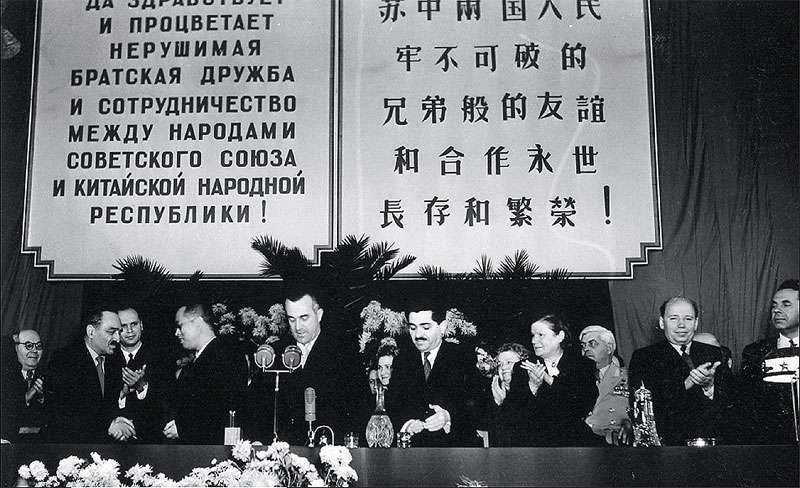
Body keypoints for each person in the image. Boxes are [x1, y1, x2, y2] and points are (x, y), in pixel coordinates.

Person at [272, 282, 369, 446]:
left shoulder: (344, 354)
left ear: (319, 315)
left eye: (304, 318)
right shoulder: (276, 353)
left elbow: (359, 411)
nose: (297, 327)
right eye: (291, 319)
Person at [628, 297, 734, 445]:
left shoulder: (714, 353)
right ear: (662, 322)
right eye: (673, 318)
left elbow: (732, 403)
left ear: (696, 323)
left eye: (688, 319)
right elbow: (646, 410)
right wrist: (686, 384)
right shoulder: (644, 357)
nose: (681, 325)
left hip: (713, 444)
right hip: (670, 447)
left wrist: (710, 387)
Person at [385, 299, 483, 447]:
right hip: (413, 450)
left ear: (442, 327)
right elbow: (392, 405)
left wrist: (448, 416)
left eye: (425, 327)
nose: (418, 335)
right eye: (413, 328)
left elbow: (478, 404)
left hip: (454, 449)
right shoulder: (403, 360)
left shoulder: (462, 357)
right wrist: (408, 424)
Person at [504, 314, 601, 446]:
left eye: (540, 335)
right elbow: (514, 412)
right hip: (535, 444)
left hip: (573, 441)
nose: (534, 341)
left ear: (560, 336)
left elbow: (582, 405)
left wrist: (550, 380)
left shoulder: (582, 365)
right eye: (533, 335)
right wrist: (532, 386)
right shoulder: (523, 367)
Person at [45, 307, 136, 443]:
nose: (117, 339)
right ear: (91, 332)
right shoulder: (64, 359)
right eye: (111, 332)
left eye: (119, 332)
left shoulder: (114, 362)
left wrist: (118, 420)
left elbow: (106, 407)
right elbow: (64, 411)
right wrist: (108, 425)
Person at [163, 302, 248, 444]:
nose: (176, 333)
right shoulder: (195, 363)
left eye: (180, 326)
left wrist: (184, 427)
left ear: (197, 322)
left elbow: (223, 408)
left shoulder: (227, 356)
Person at [738, 279, 799, 445]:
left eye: (786, 304)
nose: (777, 310)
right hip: (771, 445)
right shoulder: (754, 352)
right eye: (774, 305)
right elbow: (747, 408)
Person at [115, 305, 174, 443]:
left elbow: (167, 404)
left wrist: (141, 387)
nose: (130, 330)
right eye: (123, 326)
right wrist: (121, 395)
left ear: (141, 325)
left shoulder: (161, 357)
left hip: (151, 441)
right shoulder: (108, 357)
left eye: (134, 324)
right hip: (114, 440)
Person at [580, 325, 632, 445]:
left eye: (592, 344)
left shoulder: (628, 377)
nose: (586, 349)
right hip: (583, 441)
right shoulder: (575, 379)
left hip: (614, 443)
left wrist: (631, 424)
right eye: (583, 346)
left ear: (609, 348)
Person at [1, 330, 48, 442]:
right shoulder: (4, 377)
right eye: (29, 346)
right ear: (15, 348)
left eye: (38, 346)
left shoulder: (50, 376)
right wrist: (25, 397)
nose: (35, 350)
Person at [485, 342, 529, 446]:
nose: (504, 367)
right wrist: (498, 404)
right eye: (500, 364)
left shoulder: (530, 393)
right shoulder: (491, 393)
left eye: (509, 362)